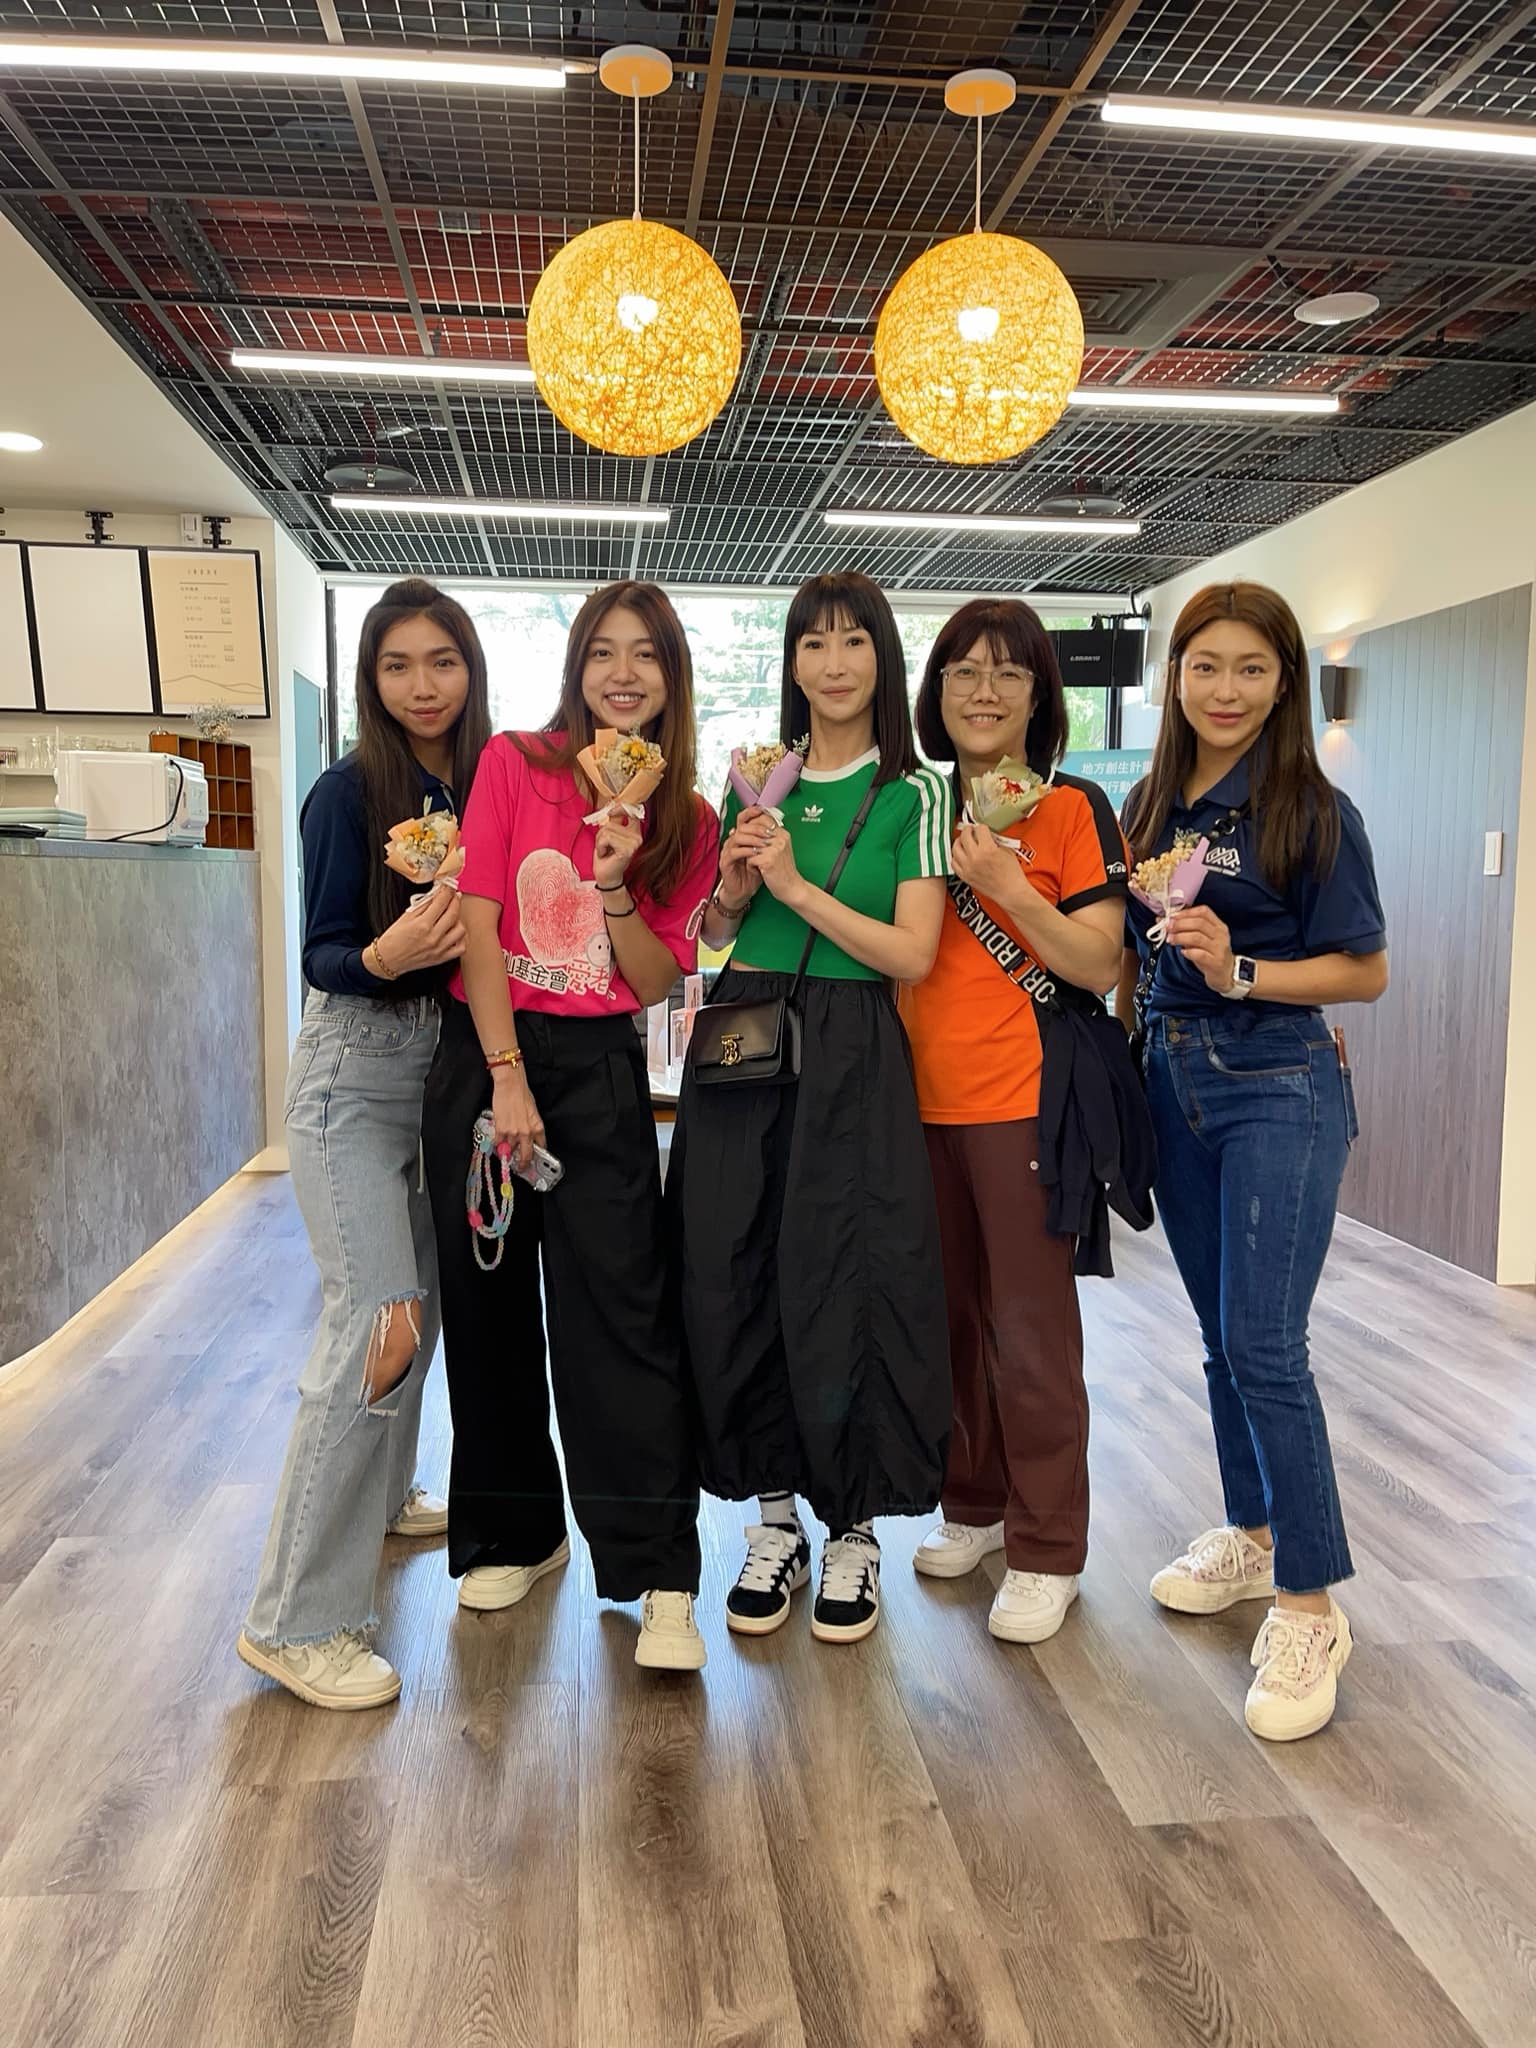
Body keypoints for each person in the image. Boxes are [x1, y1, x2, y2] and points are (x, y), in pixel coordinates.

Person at [421, 580, 718, 1672]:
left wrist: (619, 883)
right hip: (489, 1055)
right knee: (490, 1310)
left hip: (599, 1072)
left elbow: (653, 982)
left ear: (671, 677)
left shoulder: (688, 817)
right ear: (577, 667)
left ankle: (659, 1570)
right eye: (603, 651)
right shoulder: (517, 763)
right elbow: (480, 926)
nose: (623, 673)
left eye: (645, 654)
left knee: (621, 1317)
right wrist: (504, 1077)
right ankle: (517, 1531)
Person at [1118, 580, 1388, 1742]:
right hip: (1170, 1077)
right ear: (1173, 676)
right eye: (1205, 665)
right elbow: (1128, 956)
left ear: (1285, 684)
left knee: (1268, 1343)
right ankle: (1256, 1531)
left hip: (1278, 1078)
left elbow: (1365, 970)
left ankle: (1310, 1600)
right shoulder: (1146, 806)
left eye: (1251, 668)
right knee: (1222, 1336)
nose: (1225, 689)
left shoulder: (1312, 812)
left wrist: (1239, 969)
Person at [672, 570, 953, 1647]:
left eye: (854, 642)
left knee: (848, 1272)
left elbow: (912, 954)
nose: (833, 664)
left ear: (883, 657)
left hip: (852, 1047)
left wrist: (794, 889)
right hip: (744, 1035)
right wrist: (739, 890)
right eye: (813, 643)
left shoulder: (913, 794)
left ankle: (855, 1528)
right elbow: (711, 934)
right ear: (791, 662)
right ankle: (775, 1520)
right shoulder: (757, 778)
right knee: (736, 1264)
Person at [239, 578, 490, 1711]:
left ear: (470, 670)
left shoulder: (477, 787)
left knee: (415, 1310)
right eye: (398, 665)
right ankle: (294, 1621)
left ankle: (383, 1499)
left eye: (442, 661)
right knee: (375, 1322)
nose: (422, 685)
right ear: (370, 678)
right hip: (354, 1067)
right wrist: (388, 956)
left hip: (442, 1070)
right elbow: (325, 953)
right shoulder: (348, 792)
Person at [900, 599, 1130, 1646]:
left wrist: (1004, 884)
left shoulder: (1074, 807)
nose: (984, 691)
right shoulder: (911, 802)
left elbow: (1098, 961)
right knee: (948, 1316)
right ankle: (976, 1501)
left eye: (1009, 673)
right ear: (936, 691)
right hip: (913, 1102)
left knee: (1031, 1330)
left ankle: (1047, 1546)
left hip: (1024, 1101)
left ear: (1041, 696)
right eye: (963, 671)